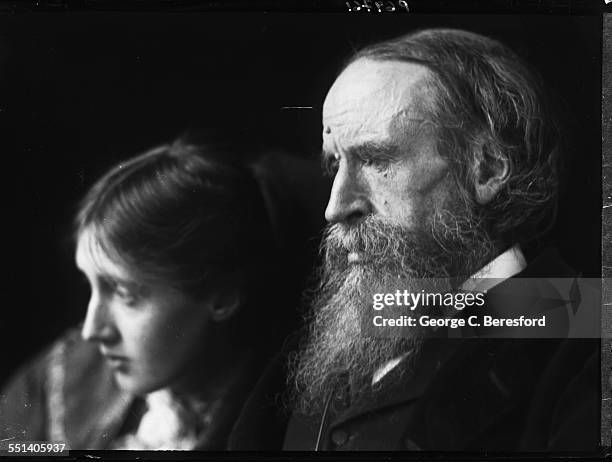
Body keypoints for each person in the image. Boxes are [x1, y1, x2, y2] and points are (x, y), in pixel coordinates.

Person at [229, 28, 600, 451]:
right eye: (335, 165)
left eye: (376, 160)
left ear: (487, 171)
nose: (336, 206)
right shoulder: (317, 350)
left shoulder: (583, 347)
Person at [0, 139, 286, 450]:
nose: (92, 331)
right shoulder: (59, 374)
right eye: (91, 285)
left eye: (124, 294)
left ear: (223, 295)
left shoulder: (280, 424)